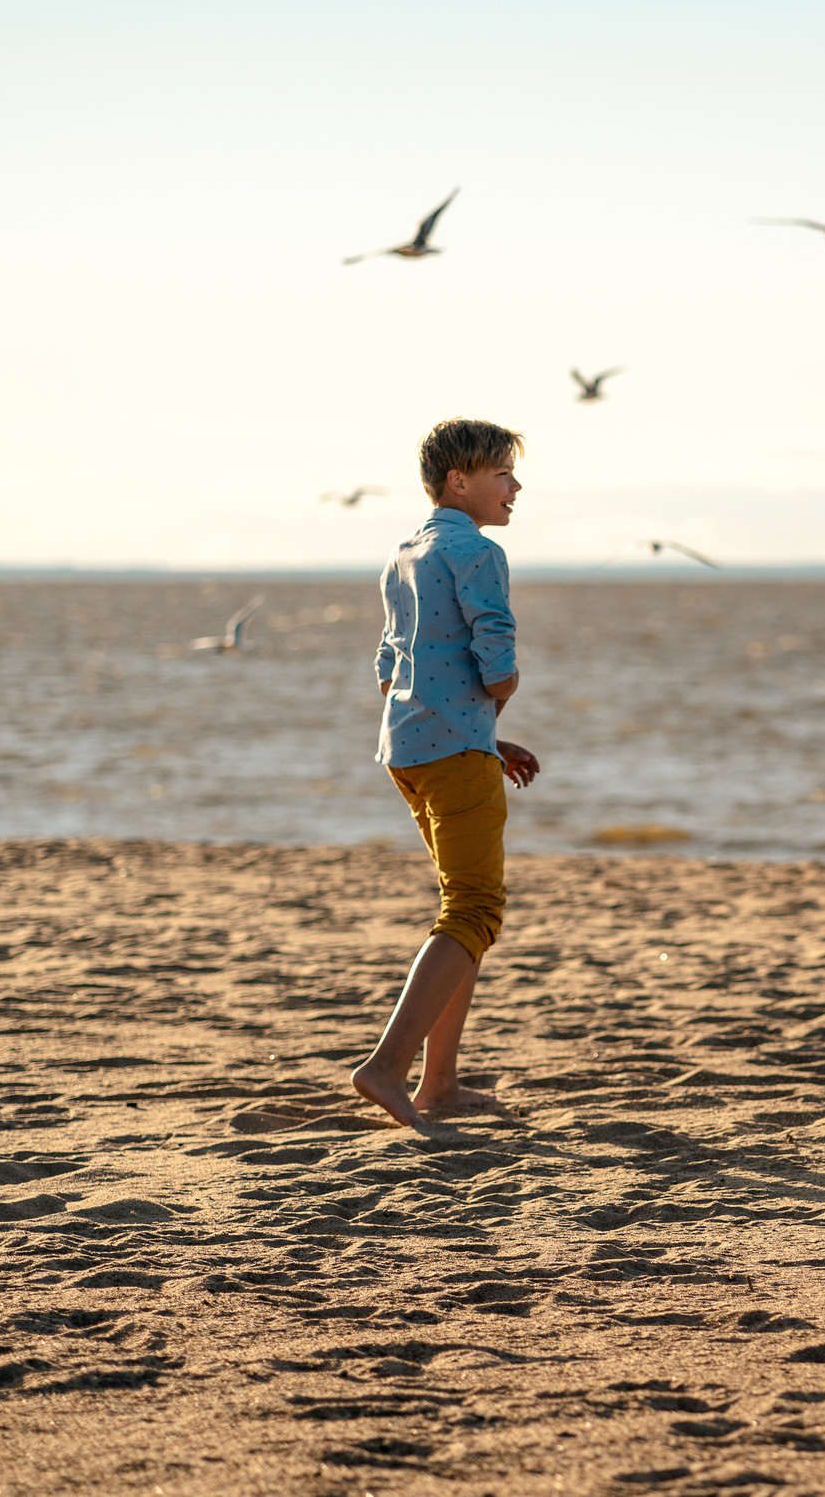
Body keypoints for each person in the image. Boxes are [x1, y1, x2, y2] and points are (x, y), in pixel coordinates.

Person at [348, 418, 541, 1127]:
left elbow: (391, 668)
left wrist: (489, 738)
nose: (515, 487)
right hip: (453, 750)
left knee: (461, 911)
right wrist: (503, 690)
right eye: (502, 475)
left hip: (412, 751)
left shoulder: (404, 554)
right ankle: (388, 1067)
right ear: (459, 481)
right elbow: (493, 655)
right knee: (472, 912)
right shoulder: (477, 550)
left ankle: (441, 1083)